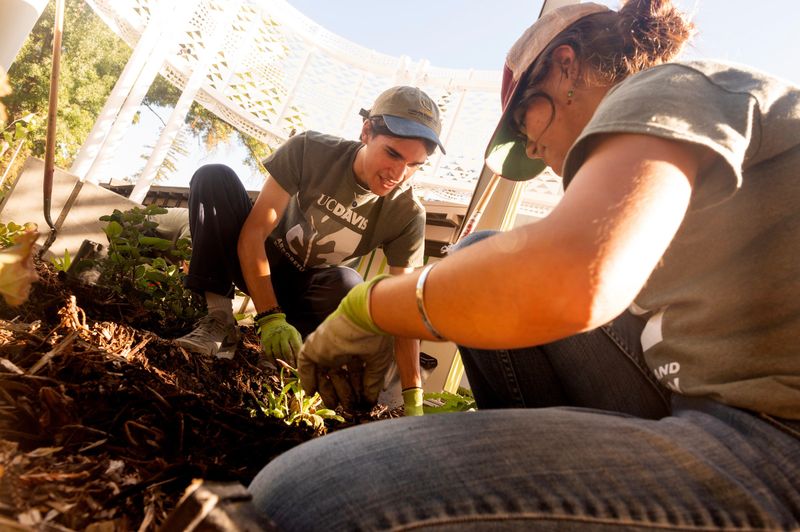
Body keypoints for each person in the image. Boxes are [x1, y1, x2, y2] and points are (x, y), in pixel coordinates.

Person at [248, 0, 800, 529]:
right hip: (696, 402)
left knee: (300, 498)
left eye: (523, 121)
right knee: (477, 253)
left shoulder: (666, 88)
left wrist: (366, 308)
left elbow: (571, 281)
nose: (531, 150)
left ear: (566, 68)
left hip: (774, 440)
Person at [175, 86, 446, 413]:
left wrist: (412, 396)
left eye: (415, 164)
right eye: (393, 154)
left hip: (308, 291)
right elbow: (254, 232)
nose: (399, 175)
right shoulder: (310, 150)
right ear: (366, 132)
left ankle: (289, 357)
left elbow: (405, 308)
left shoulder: (407, 213)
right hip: (260, 263)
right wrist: (270, 317)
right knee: (213, 177)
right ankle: (219, 320)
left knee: (349, 285)